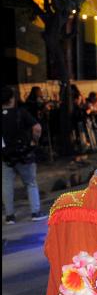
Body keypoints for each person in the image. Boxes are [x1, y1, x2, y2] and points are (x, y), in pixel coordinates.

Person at [2, 86, 44, 224]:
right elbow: (37, 128)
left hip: (5, 156)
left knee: (7, 185)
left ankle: (9, 216)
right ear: (12, 99)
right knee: (30, 183)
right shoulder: (21, 112)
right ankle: (35, 212)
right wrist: (34, 141)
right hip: (24, 154)